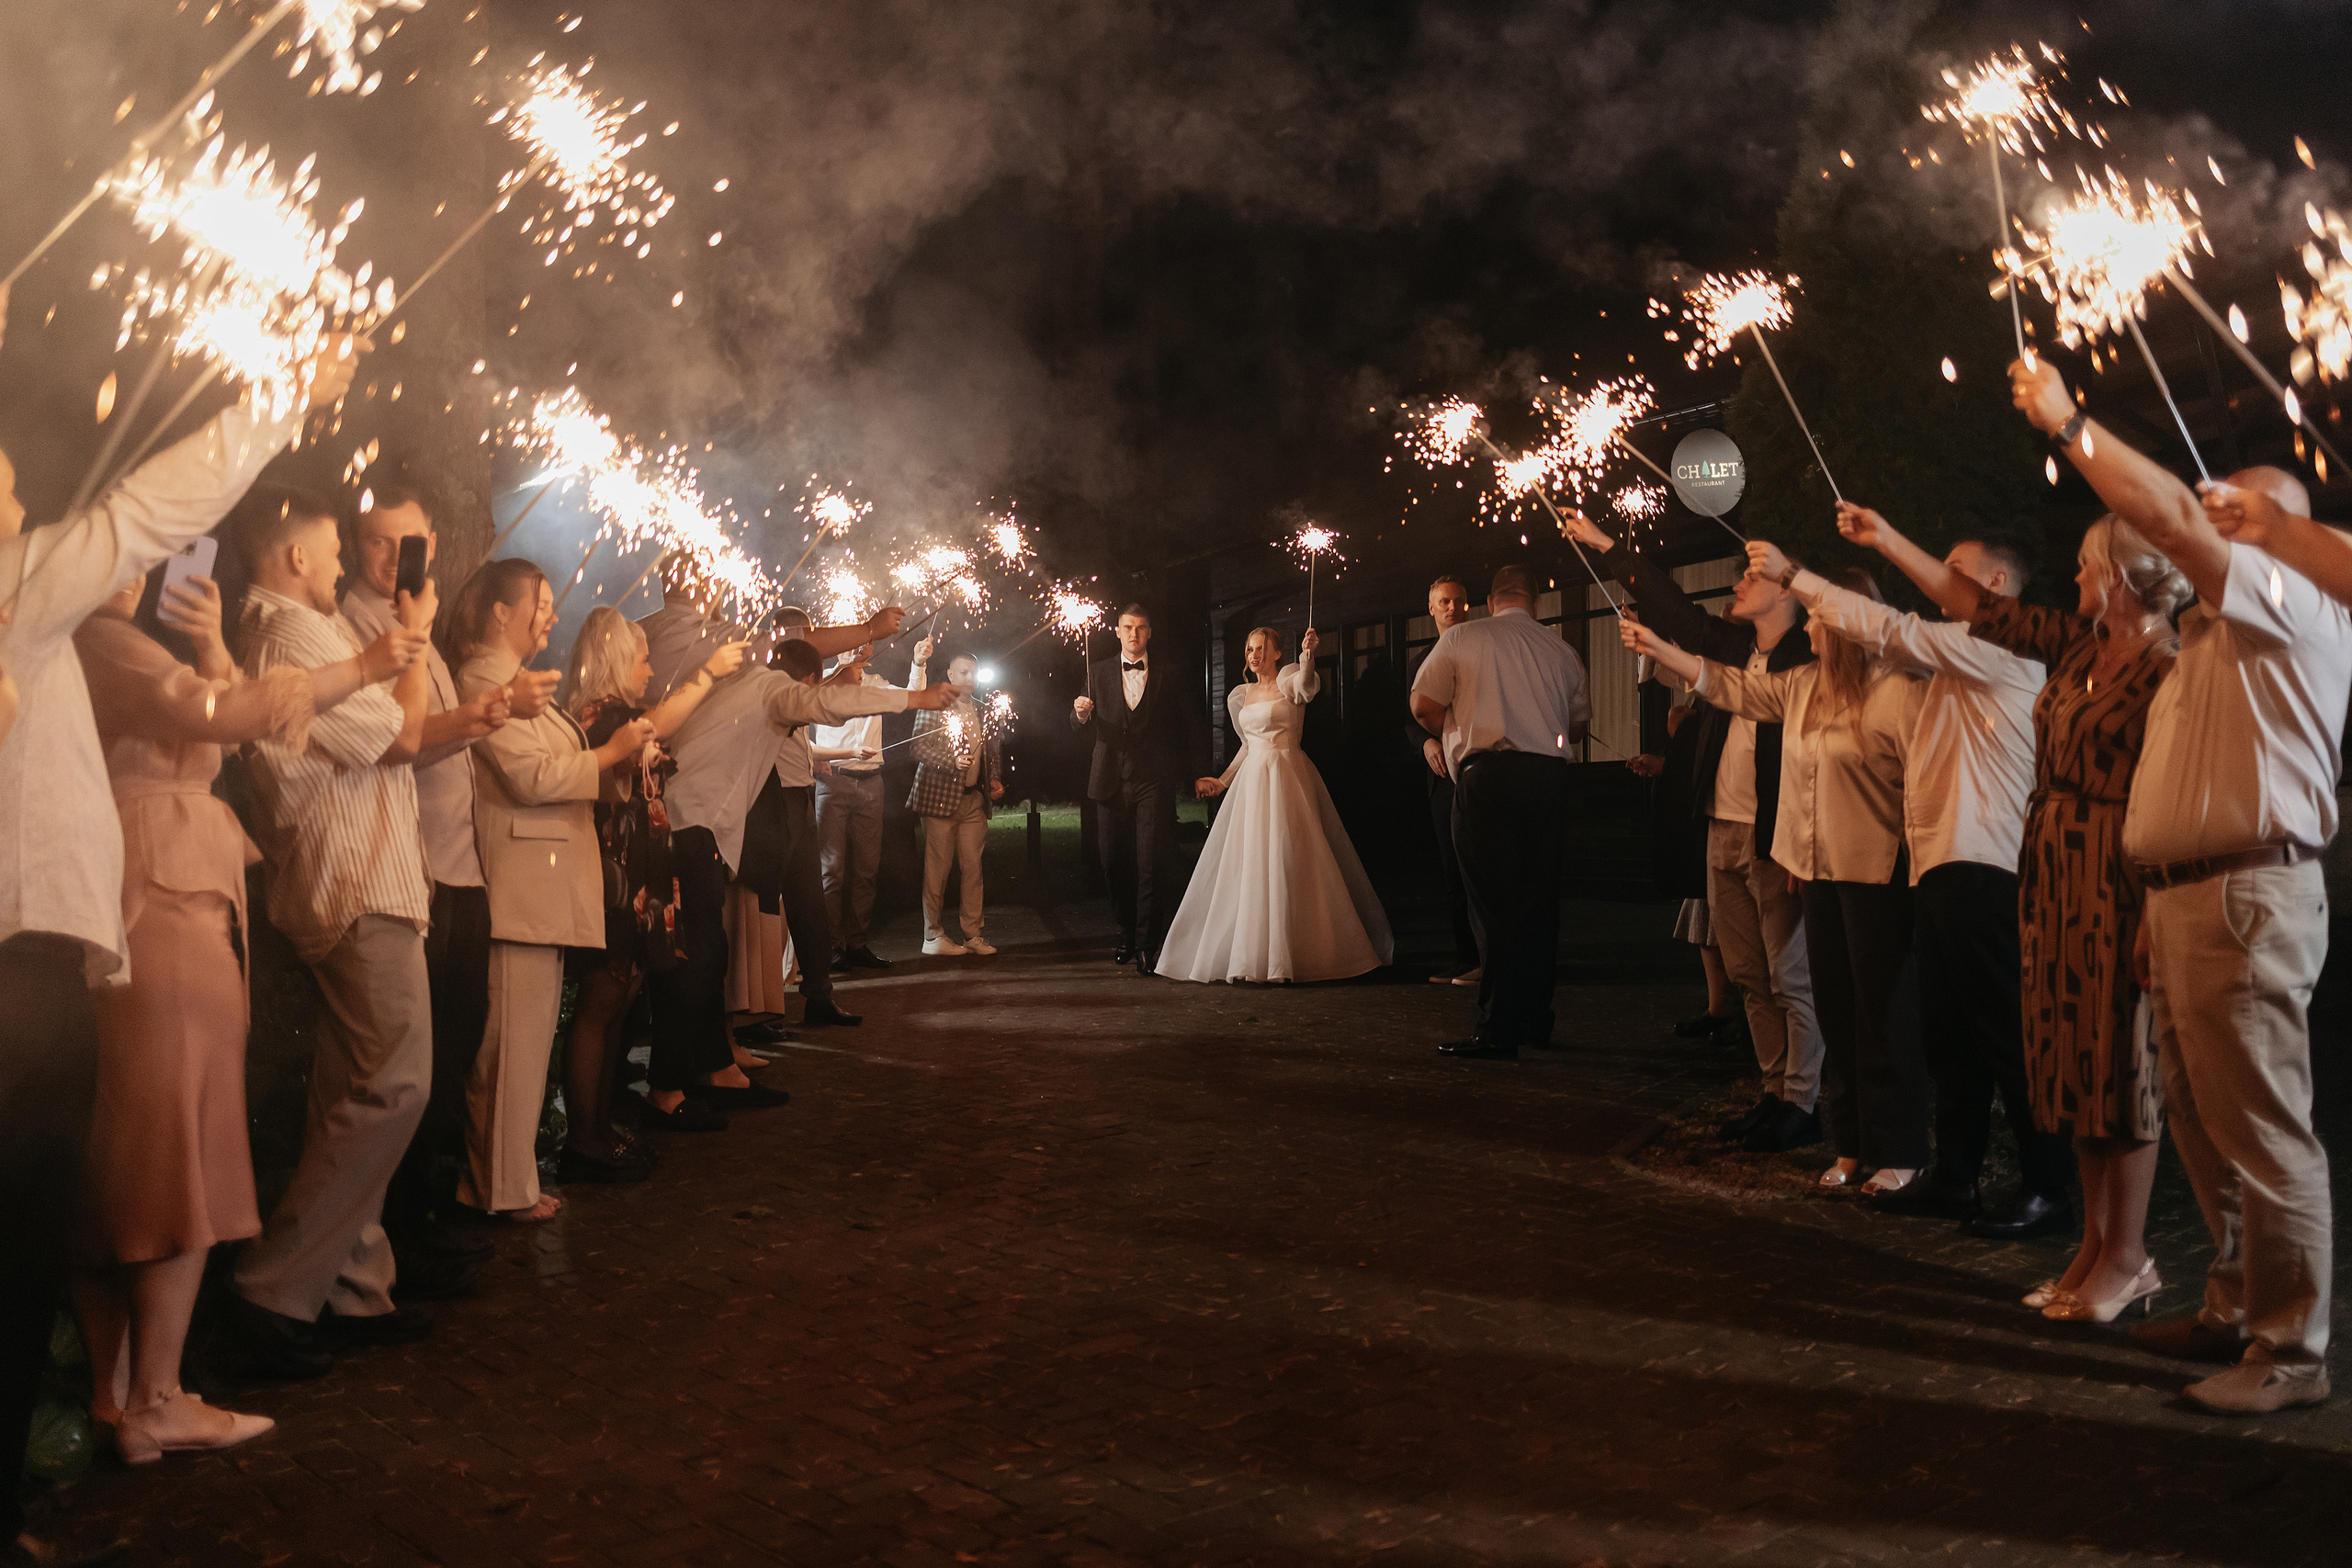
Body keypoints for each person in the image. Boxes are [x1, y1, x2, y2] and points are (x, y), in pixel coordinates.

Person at [0, 321, 363, 1550]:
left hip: (54, 945)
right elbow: (146, 511)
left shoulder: (41, 625)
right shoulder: (24, 598)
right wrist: (277, 395)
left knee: (41, 1224)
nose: (17, 499)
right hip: (29, 955)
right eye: (1, 487)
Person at [2017, 354, 2350, 1415]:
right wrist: (2154, 903)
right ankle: (2230, 1306)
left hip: (2247, 898)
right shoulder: (2208, 636)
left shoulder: (2292, 605)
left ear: (2285, 532)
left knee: (2260, 1129)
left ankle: (2291, 1353)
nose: (2219, 523)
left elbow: (2166, 522)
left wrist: (2073, 426)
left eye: (2243, 516)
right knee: (2205, 1126)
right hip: (2190, 899)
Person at [68, 560, 418, 1461]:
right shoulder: (102, 640)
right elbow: (219, 718)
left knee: (138, 1151)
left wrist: (211, 645)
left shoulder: (120, 645)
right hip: (162, 902)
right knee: (178, 1148)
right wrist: (366, 665)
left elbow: (219, 717)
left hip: (160, 891)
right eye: (126, 543)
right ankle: (156, 1393)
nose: (140, 564)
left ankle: (120, 1397)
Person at [1750, 522, 2072, 1239]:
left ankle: (2050, 1184)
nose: (1934, 580)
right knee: (1952, 1035)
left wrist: (1802, 575)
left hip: (1986, 865)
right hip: (1941, 866)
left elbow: (1888, 627)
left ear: (1994, 587)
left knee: (2005, 1033)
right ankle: (1956, 1175)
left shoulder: (2002, 646)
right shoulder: (1953, 664)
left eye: (1949, 568)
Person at [225, 480, 441, 1377]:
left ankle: (351, 1286)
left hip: (353, 877)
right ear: (296, 558)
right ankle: (272, 1286)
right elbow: (399, 735)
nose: (349, 566)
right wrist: (417, 641)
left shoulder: (286, 631)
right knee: (398, 1084)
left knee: (349, 1091)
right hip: (354, 881)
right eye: (339, 550)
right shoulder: (292, 632)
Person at [1624, 566, 1930, 1193]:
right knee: (1837, 1009)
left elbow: (1921, 788)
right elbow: (1730, 686)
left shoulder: (1896, 690)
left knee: (1882, 1014)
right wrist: (1659, 649)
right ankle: (1850, 1144)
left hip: (1875, 872)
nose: (1810, 626)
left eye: (1819, 616)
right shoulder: (1805, 686)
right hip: (1815, 873)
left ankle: (1901, 1149)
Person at [1566, 511, 1822, 1150]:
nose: (1740, 582)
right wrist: (1607, 546)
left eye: (1753, 577)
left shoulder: (1804, 660)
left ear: (1789, 592)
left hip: (1773, 835)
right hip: (1721, 829)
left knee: (1789, 975)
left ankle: (1805, 1098)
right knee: (1745, 972)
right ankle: (1773, 1090)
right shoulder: (1736, 647)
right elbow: (1675, 611)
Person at [650, 621, 946, 1126]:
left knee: (708, 953)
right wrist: (916, 698)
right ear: (804, 681)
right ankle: (666, 1091)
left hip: (693, 823)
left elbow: (819, 699)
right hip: (689, 826)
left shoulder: (750, 684)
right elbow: (823, 706)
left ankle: (714, 1069)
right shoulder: (770, 690)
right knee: (697, 960)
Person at [343, 479, 526, 1288]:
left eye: (409, 544)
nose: (395, 559)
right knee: (405, 1068)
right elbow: (403, 739)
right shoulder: (356, 629)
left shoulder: (421, 628)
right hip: (406, 869)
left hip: (458, 865)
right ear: (355, 545)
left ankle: (427, 1213)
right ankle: (396, 1237)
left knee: (452, 1049)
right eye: (381, 542)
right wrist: (484, 717)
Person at [448, 561, 657, 1223]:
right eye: (537, 602)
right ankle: (494, 1187)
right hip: (517, 885)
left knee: (528, 1041)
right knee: (509, 1047)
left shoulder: (515, 684)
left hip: (541, 883)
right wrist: (607, 751)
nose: (548, 612)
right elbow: (530, 777)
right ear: (498, 614)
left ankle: (508, 1178)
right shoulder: (482, 682)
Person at [553, 608, 741, 1179]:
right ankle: (583, 1139)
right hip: (616, 881)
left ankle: (601, 1126)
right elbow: (655, 724)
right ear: (612, 659)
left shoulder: (620, 717)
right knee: (600, 1003)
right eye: (641, 658)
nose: (650, 667)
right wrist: (708, 673)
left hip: (641, 880)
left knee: (620, 1004)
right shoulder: (601, 715)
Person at [1408, 564, 1590, 1056]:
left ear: (1490, 601)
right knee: (1539, 904)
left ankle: (1498, 1028)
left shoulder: (1465, 638)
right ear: (1535, 602)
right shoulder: (1563, 651)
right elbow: (1574, 728)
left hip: (1488, 778)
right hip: (1548, 781)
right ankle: (1536, 1019)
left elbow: (1423, 704)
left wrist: (1456, 728)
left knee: (1492, 906)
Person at [1160, 626, 1394, 982]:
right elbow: (1247, 746)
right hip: (1253, 783)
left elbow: (1306, 686)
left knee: (1289, 857)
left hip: (1286, 777)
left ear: (1276, 653)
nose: (1253, 655)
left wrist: (1308, 656)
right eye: (1249, 649)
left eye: (1260, 648)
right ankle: (1247, 958)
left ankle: (1288, 958)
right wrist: (1222, 781)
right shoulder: (1242, 694)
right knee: (1252, 862)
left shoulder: (1289, 680)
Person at [1070, 604, 1212, 972]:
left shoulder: (1170, 673)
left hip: (1154, 779)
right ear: (1117, 631)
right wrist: (1081, 712)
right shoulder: (1097, 671)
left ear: (1150, 632)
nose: (1134, 633)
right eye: (1128, 627)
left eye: (1141, 628)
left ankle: (1149, 944)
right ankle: (1126, 933)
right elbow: (1077, 723)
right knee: (1112, 861)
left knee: (1152, 861)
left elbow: (1191, 726)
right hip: (1108, 781)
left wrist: (1199, 772)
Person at [906, 640, 1003, 956]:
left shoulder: (984, 708)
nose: (969, 678)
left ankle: (972, 935)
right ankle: (932, 936)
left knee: (973, 868)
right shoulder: (934, 702)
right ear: (949, 673)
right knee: (938, 869)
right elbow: (917, 748)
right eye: (963, 672)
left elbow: (992, 751)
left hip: (974, 800)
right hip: (939, 800)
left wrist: (993, 779)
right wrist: (951, 762)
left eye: (974, 673)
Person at [1408, 576, 1480, 986]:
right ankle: (1464, 955)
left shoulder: (1482, 651)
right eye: (1444, 602)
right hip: (1441, 778)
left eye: (1458, 600)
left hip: (1474, 769)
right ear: (1431, 609)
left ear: (1468, 607)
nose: (1451, 607)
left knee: (1480, 869)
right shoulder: (1421, 661)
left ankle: (1488, 956)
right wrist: (1425, 743)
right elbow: (1408, 718)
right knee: (1452, 873)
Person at [810, 647, 890, 971]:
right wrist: (837, 671)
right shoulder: (822, 686)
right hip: (834, 783)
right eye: (850, 650)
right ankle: (832, 948)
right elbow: (805, 699)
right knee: (832, 871)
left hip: (872, 784)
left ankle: (857, 944)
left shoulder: (877, 684)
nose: (858, 655)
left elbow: (912, 694)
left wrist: (919, 663)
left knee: (867, 870)